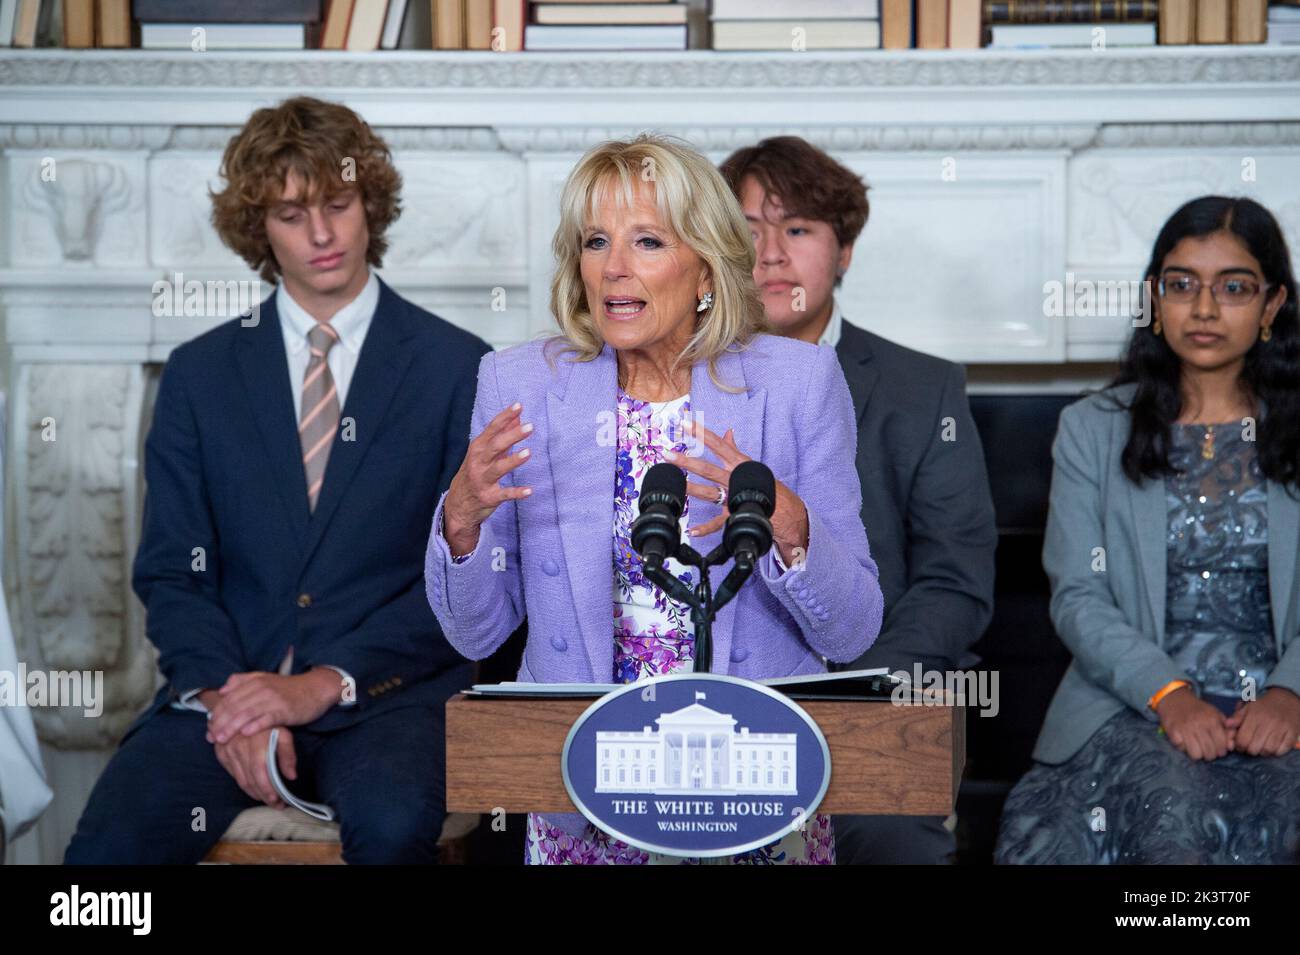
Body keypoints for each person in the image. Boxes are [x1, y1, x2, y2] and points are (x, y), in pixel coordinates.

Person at [425, 133, 884, 865]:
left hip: (753, 789)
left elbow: (853, 631)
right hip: (585, 785)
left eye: (645, 241)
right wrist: (461, 520)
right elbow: (476, 636)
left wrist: (791, 527)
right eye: (596, 240)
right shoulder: (521, 385)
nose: (613, 267)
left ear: (703, 265)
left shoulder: (797, 384)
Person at [65, 97, 487, 864]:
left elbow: (471, 579)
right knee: (100, 861)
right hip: (224, 700)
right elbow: (171, 569)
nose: (321, 234)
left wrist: (326, 681)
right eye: (292, 214)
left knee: (393, 832)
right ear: (259, 227)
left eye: (337, 203)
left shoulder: (461, 367)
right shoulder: (199, 375)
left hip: (386, 701)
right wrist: (238, 700)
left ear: (371, 204)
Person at [996, 195, 1300, 864]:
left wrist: (1289, 691)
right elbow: (1078, 595)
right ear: (1153, 298)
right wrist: (1171, 695)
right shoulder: (1093, 428)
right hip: (1132, 701)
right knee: (1171, 814)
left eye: (1235, 287)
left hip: (1283, 702)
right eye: (1181, 284)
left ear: (1273, 304)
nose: (1205, 307)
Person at [719, 135, 996, 864]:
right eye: (748, 230)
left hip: (877, 688)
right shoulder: (676, 379)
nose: (770, 254)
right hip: (715, 692)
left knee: (885, 834)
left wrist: (855, 680)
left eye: (798, 229)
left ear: (843, 252)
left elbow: (954, 582)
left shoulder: (922, 389)